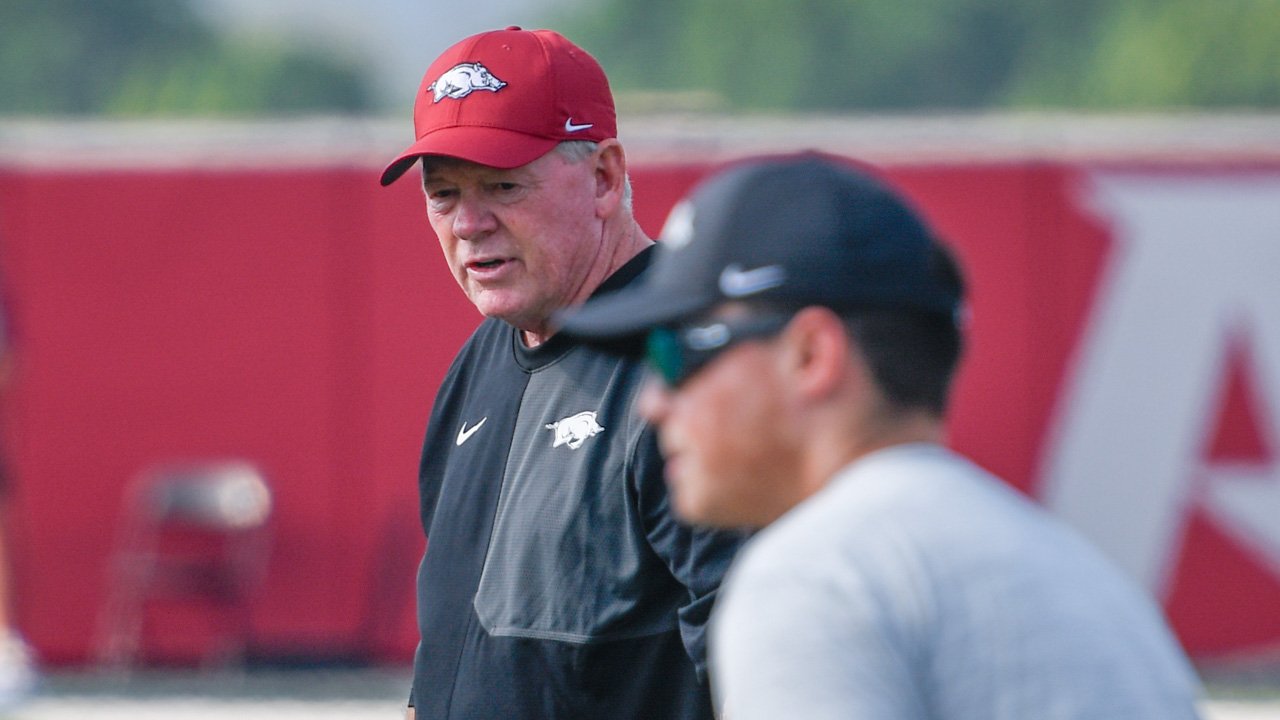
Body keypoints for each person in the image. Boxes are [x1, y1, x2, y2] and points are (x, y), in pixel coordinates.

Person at [557, 154, 1206, 719]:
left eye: (677, 352)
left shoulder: (818, 578)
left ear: (811, 356)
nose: (652, 402)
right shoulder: (1082, 575)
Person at [379, 27, 742, 720]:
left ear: (604, 177)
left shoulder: (688, 363)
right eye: (443, 194)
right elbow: (454, 653)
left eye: (502, 186)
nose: (468, 223)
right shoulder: (479, 362)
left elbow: (760, 673)